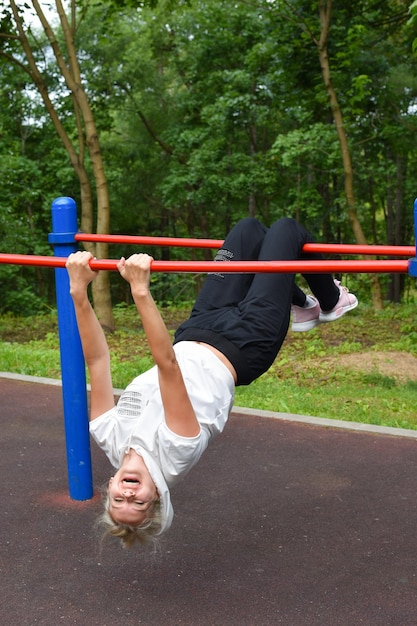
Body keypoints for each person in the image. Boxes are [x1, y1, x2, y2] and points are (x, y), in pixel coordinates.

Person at [66, 217, 358, 548]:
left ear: (111, 485)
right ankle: (330, 302)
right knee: (285, 231)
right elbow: (168, 367)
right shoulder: (176, 454)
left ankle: (303, 305)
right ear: (158, 495)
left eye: (120, 500)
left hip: (199, 328)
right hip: (246, 343)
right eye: (139, 502)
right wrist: (140, 291)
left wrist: (78, 292)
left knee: (249, 232)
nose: (129, 493)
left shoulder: (107, 434)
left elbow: (97, 361)